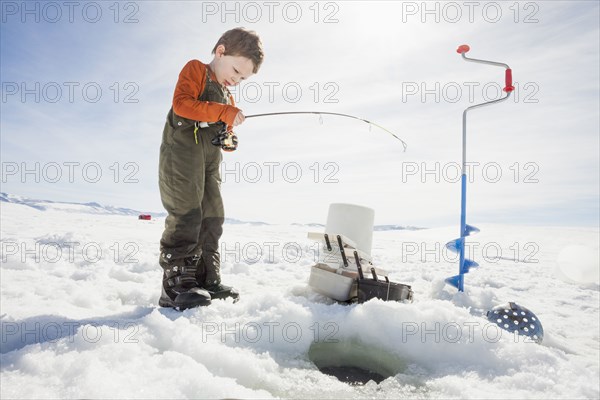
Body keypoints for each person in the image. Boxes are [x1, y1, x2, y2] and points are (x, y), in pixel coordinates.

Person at [158, 28, 264, 310]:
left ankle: (205, 280)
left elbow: (222, 133)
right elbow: (182, 105)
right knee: (187, 214)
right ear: (220, 52)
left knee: (213, 216)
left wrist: (228, 137)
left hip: (208, 166)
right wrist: (223, 113)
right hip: (181, 159)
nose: (237, 80)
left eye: (243, 78)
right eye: (236, 71)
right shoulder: (197, 70)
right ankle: (176, 283)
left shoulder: (227, 97)